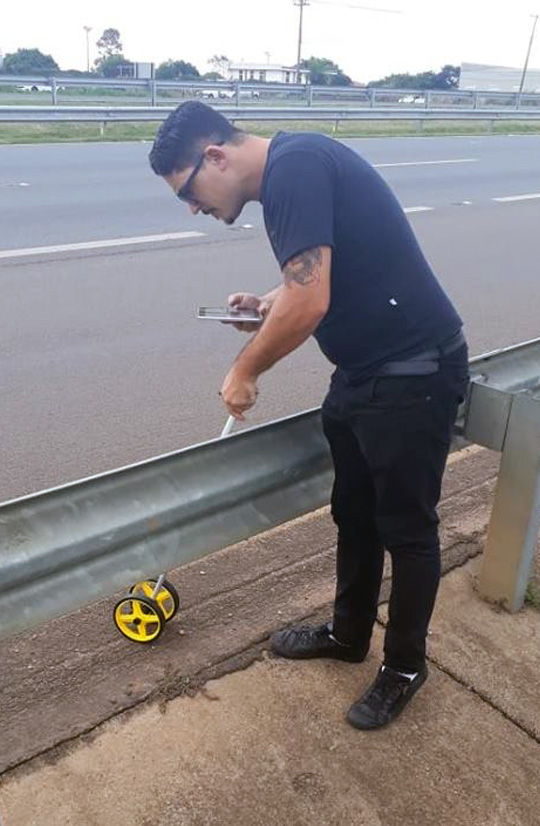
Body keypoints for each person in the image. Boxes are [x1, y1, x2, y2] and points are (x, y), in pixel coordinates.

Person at [149, 101, 470, 730]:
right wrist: (268, 301)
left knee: (407, 530)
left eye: (188, 191)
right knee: (355, 513)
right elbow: (317, 272)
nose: (191, 208)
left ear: (215, 157)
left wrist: (245, 371)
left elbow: (310, 299)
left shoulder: (294, 167)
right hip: (363, 373)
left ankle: (405, 667)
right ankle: (348, 634)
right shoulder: (292, 167)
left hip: (413, 373)